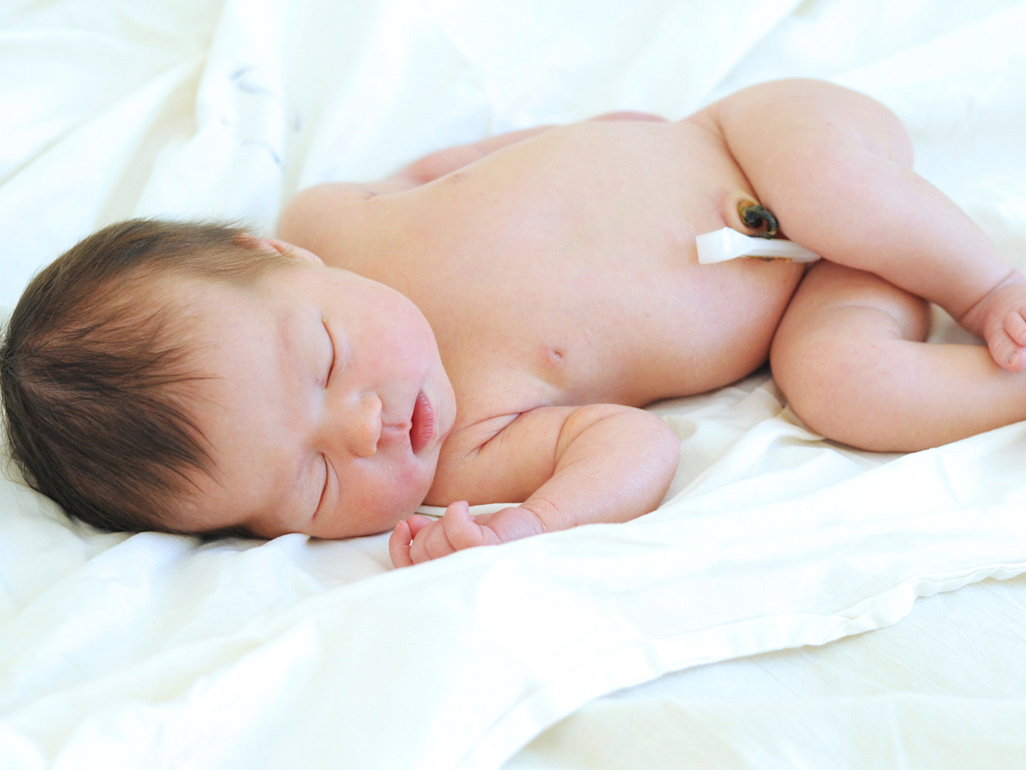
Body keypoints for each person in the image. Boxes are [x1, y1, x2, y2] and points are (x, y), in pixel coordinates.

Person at [3, 79, 1026, 569]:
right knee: (847, 386)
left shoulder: (333, 215)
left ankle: (989, 290)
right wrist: (538, 520)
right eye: (312, 481)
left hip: (755, 139)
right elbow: (627, 441)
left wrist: (594, 138)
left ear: (279, 258)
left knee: (839, 190)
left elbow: (464, 164)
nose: (361, 426)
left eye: (323, 358)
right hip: (811, 296)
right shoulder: (459, 453)